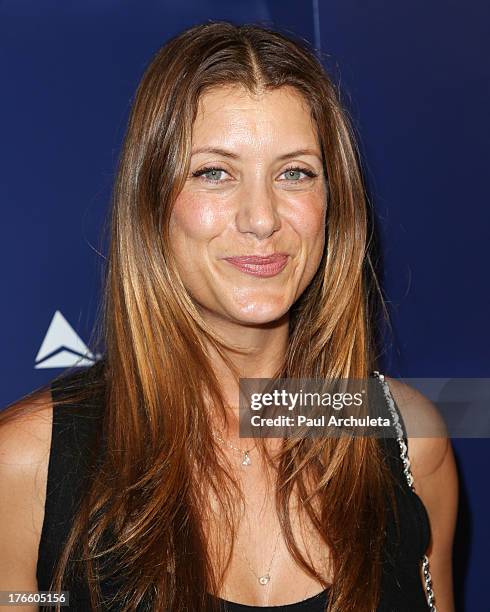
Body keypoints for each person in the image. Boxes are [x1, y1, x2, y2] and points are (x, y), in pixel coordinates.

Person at [0, 20, 458, 612]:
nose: (262, 217)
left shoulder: (406, 440)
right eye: (214, 172)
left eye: (295, 173)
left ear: (333, 205)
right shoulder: (26, 465)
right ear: (151, 203)